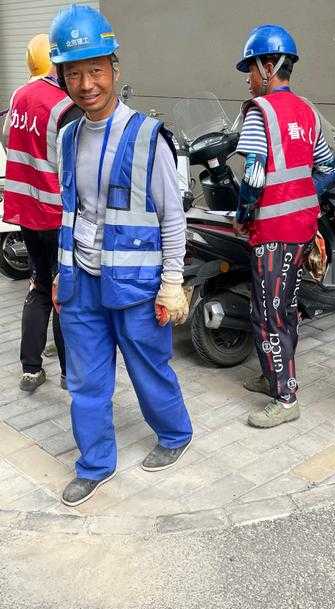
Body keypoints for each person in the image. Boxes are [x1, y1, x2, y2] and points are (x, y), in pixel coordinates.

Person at [49, 4, 192, 506]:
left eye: (95, 69)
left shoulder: (148, 137)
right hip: (81, 280)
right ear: (62, 76)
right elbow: (69, 211)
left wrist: (172, 282)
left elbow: (173, 217)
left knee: (148, 365)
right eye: (74, 72)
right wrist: (57, 276)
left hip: (135, 281)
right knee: (86, 379)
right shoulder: (66, 136)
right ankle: (95, 463)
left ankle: (174, 434)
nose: (86, 83)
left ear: (114, 67)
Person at [235, 24, 335, 429]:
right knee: (284, 308)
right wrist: (303, 194)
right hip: (301, 229)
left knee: (268, 314)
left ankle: (285, 397)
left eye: (250, 69)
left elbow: (254, 177)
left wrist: (244, 215)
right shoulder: (308, 112)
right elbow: (328, 167)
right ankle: (271, 375)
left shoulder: (260, 113)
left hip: (272, 232)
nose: (248, 78)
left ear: (268, 66)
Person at [3, 33, 80, 392]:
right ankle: (69, 373)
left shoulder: (18, 96)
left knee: (37, 283)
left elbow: (7, 138)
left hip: (26, 213)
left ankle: (31, 369)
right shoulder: (65, 106)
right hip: (56, 214)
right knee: (62, 289)